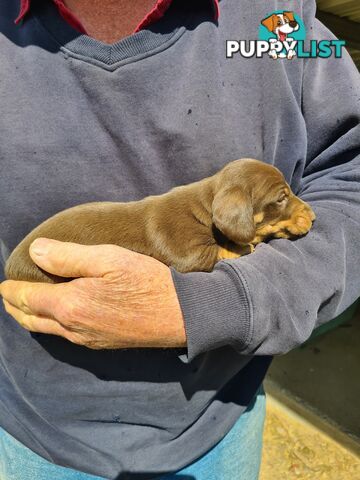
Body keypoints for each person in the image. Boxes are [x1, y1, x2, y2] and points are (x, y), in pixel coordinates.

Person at [0, 0, 359, 479]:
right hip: (35, 434)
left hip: (219, 420)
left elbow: (350, 178)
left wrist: (224, 303)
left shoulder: (276, 14)